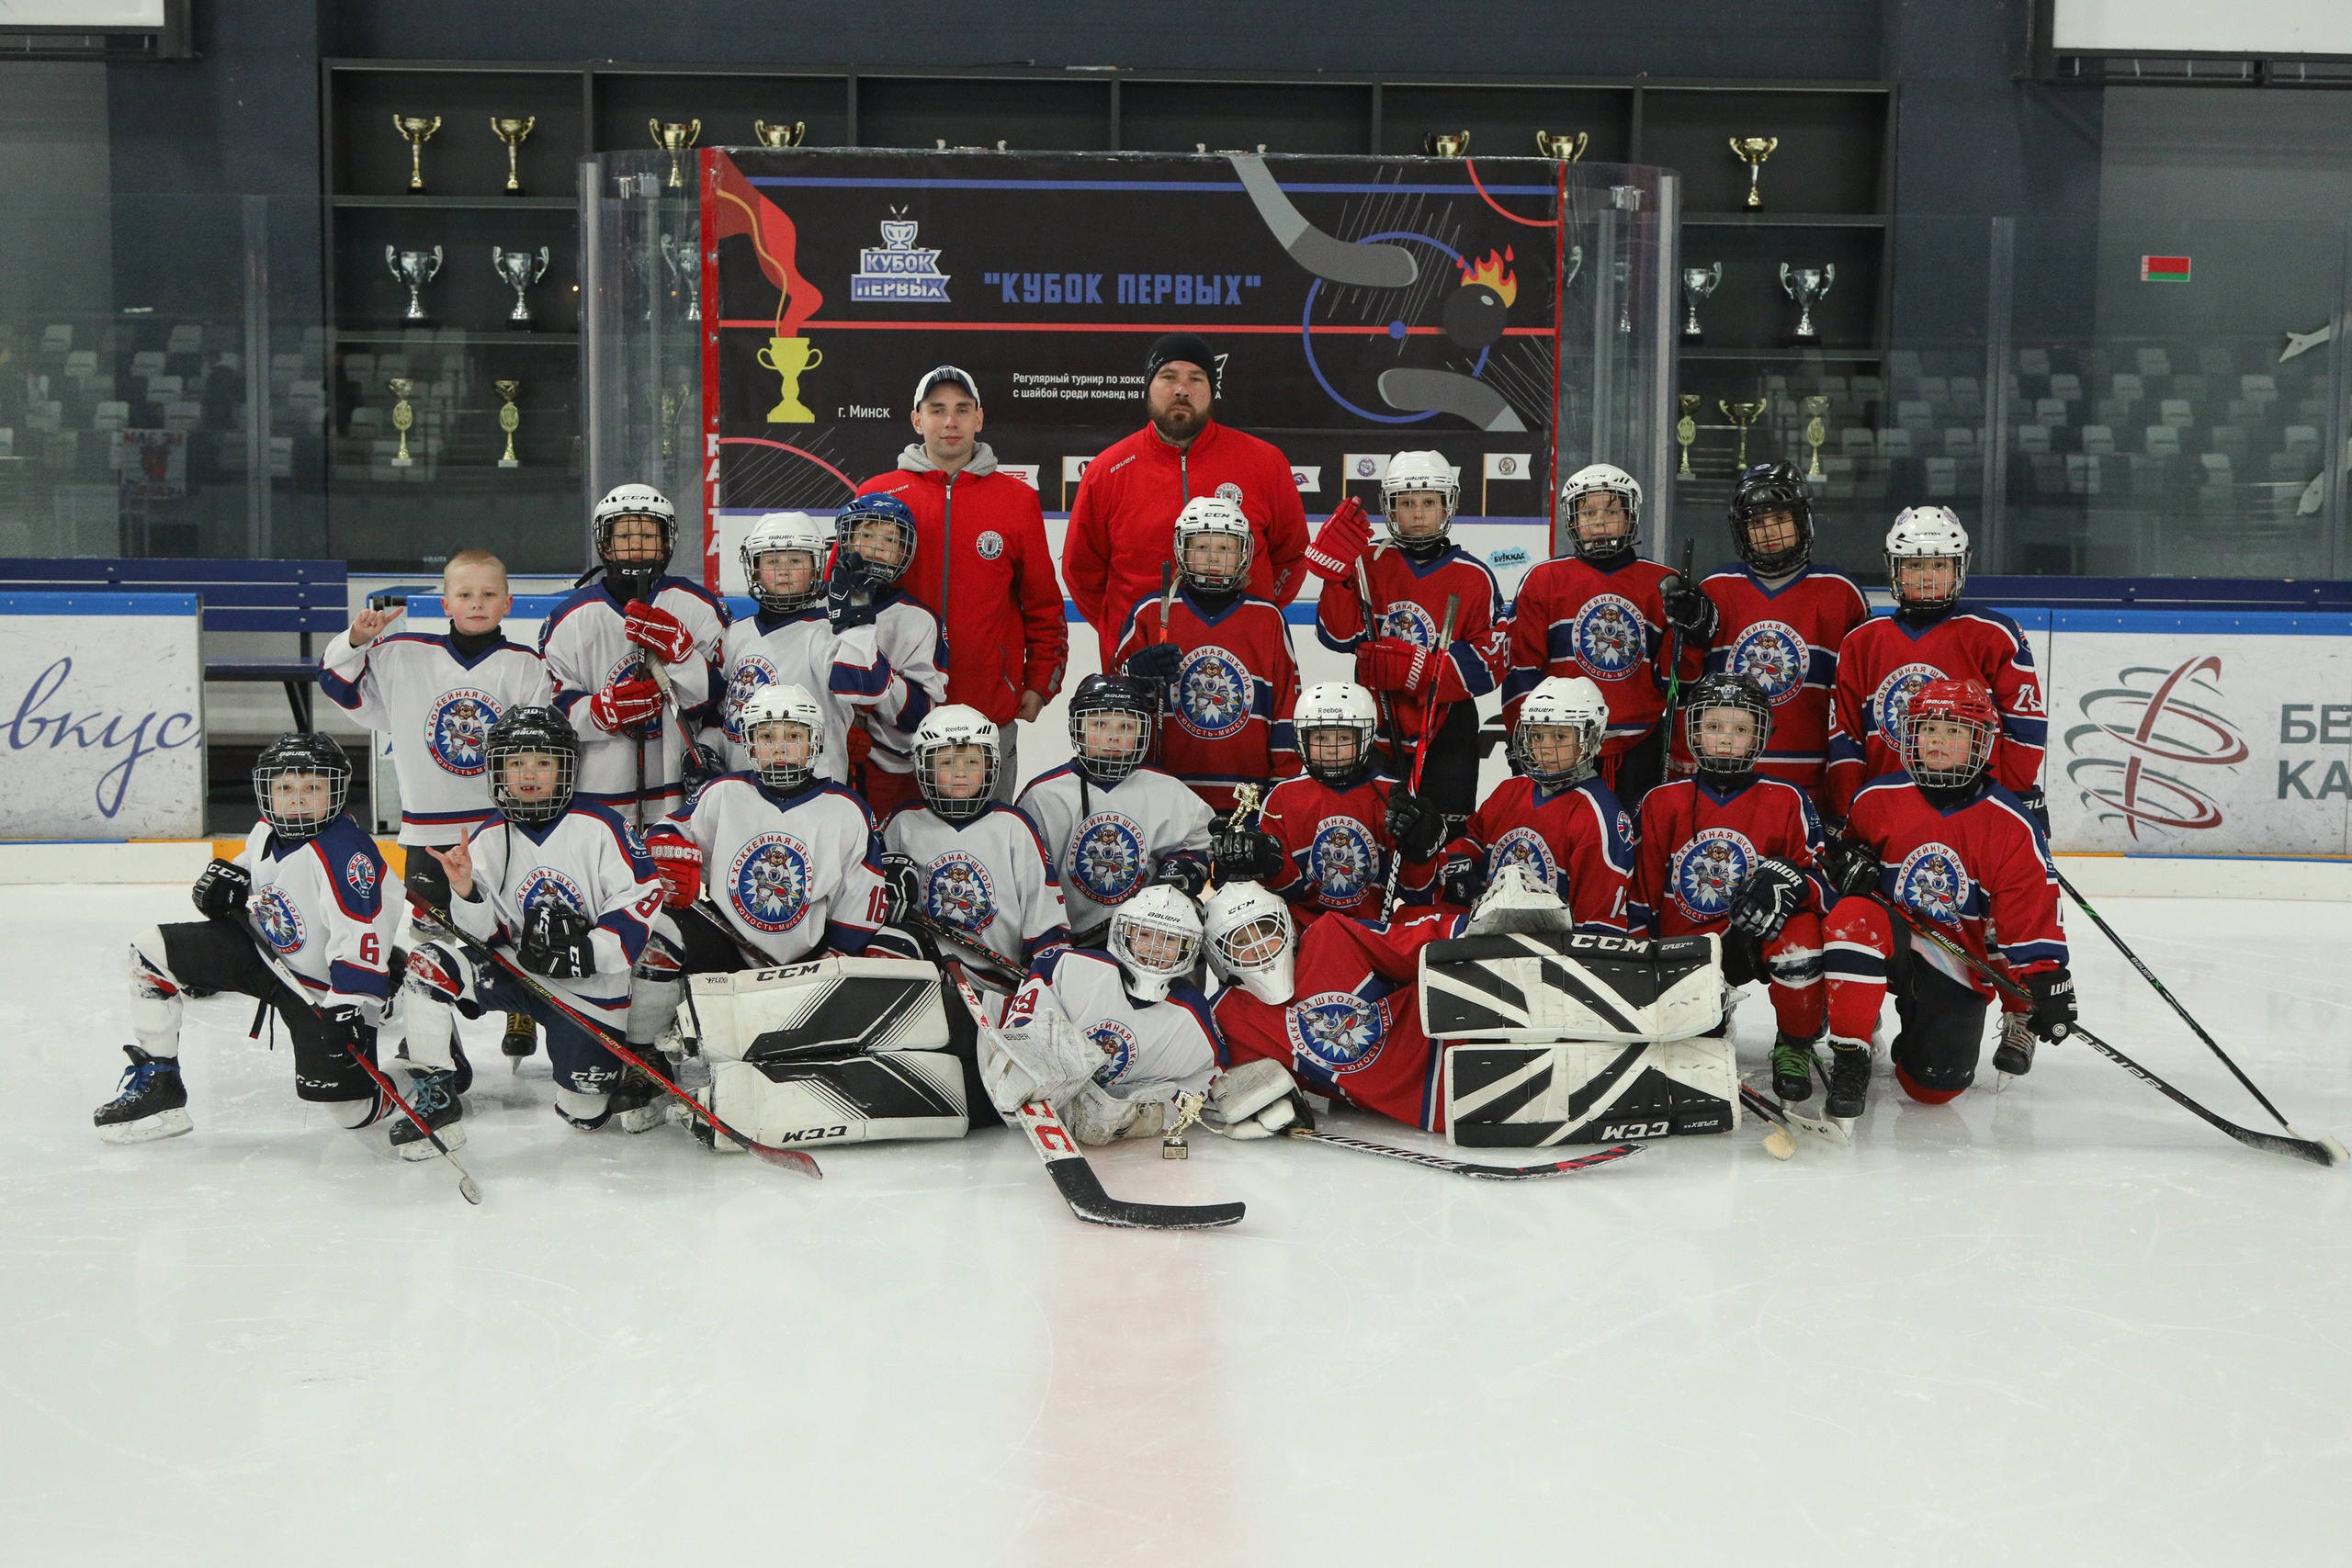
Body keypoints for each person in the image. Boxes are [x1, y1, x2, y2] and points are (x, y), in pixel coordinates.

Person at [96, 734, 411, 1150]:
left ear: (335, 792)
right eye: (284, 789)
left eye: (312, 788)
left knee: (351, 1111)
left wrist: (347, 1007)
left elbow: (362, 942)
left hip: (320, 991)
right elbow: (254, 870)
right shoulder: (265, 831)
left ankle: (419, 1068)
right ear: (267, 792)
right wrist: (227, 881)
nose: (296, 800)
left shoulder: (345, 855)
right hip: (265, 958)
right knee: (150, 951)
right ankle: (160, 1086)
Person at [319, 547, 550, 1068]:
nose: (477, 603)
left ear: (508, 603)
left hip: (504, 832)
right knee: (432, 939)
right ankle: (436, 1035)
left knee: (514, 925)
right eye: (465, 594)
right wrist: (358, 639)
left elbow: (540, 750)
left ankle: (523, 1008)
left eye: (489, 594)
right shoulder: (402, 654)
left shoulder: (525, 667)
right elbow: (338, 684)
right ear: (445, 602)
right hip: (428, 835)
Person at [401, 706, 672, 1134]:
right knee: (428, 963)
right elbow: (479, 936)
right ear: (497, 770)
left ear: (566, 768)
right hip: (517, 971)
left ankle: (640, 1060)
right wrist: (465, 889)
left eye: (543, 762)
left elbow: (643, 894)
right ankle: (437, 1081)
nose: (529, 774)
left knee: (584, 1115)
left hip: (586, 988)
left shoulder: (602, 825)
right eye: (516, 763)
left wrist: (590, 951)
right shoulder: (487, 836)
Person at [1815, 678, 2074, 1120]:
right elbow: (1834, 878)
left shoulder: (2011, 822)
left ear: (1980, 743)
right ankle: (1852, 1052)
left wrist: (2048, 983)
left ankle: (1919, 1030)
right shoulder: (1876, 799)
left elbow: (2027, 914)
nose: (1938, 741)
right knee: (1853, 918)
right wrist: (1843, 869)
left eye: (1955, 732)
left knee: (1933, 1087)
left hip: (1953, 955)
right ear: (1909, 736)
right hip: (1890, 937)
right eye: (1929, 729)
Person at [853, 366, 1068, 797]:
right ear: (917, 420)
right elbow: (842, 602)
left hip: (987, 711)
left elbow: (1043, 604)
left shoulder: (1017, 500)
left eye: (961, 409)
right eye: (937, 410)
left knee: (985, 849)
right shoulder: (877, 495)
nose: (950, 421)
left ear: (979, 418)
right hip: (895, 714)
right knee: (896, 849)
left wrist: (1040, 684)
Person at [1629, 672, 1833, 1104]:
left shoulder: (1788, 799)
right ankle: (1708, 1013)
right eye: (1714, 726)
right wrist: (1638, 966)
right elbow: (1641, 893)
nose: (1725, 739)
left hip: (1754, 938)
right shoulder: (1661, 801)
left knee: (1802, 940)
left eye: (1740, 729)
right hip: (1685, 951)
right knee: (1686, 1054)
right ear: (1694, 732)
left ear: (1760, 736)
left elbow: (1823, 884)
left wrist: (1793, 881)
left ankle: (1795, 1041)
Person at [1063, 333, 1308, 667]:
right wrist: (1125, 633)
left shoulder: (1265, 463)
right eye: (1168, 377)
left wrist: (1254, 616)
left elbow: (1291, 557)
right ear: (1149, 386)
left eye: (1196, 378)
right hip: (1142, 671)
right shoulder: (1107, 470)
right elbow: (1082, 574)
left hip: (1243, 667)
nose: (1182, 389)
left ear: (1212, 389)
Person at [639, 682, 911, 974]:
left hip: (812, 956)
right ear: (750, 743)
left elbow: (859, 898)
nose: (779, 747)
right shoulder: (723, 793)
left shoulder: (847, 809)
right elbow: (666, 833)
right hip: (725, 939)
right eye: (767, 736)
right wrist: (666, 854)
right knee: (656, 936)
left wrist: (840, 955)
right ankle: (653, 1019)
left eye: (794, 735)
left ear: (816, 741)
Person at [1305, 449, 1509, 827]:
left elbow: (1488, 666)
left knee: (1443, 836)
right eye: (1406, 502)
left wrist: (1414, 668)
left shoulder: (1474, 576)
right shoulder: (1366, 561)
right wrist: (1334, 578)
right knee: (1376, 833)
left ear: (1448, 506)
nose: (1417, 513)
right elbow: (1336, 637)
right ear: (1389, 508)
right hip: (1377, 726)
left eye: (1429, 502)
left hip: (1448, 731)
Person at [1823, 506, 2047, 827]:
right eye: (1915, 565)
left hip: (1974, 810)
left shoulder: (1994, 634)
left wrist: (2005, 800)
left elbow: (2025, 728)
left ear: (1959, 569)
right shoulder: (1861, 643)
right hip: (1887, 812)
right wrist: (1852, 814)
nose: (1927, 576)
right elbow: (1845, 739)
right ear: (1896, 570)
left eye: (1939, 564)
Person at [706, 504, 943, 807]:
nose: (783, 570)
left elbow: (865, 687)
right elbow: (724, 712)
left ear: (818, 567)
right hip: (741, 791)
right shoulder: (736, 633)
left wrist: (858, 627)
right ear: (753, 567)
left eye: (795, 560)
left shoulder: (829, 633)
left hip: (814, 796)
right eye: (772, 559)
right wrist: (707, 747)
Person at [1502, 463, 1702, 813]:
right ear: (1573, 520)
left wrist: (1694, 631)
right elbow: (1522, 671)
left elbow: (1672, 679)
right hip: (1563, 742)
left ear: (1630, 517)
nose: (1599, 522)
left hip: (1640, 747)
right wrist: (1524, 741)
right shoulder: (1544, 580)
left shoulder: (1663, 583)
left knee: (1637, 847)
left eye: (1611, 511)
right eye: (1588, 512)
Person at [541, 483, 729, 828]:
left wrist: (683, 656)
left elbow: (719, 701)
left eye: (648, 535)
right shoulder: (570, 618)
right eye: (625, 535)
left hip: (679, 793)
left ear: (666, 541)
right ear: (606, 544)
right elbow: (551, 707)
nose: (637, 545)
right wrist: (599, 711)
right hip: (598, 796)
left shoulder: (699, 606)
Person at [1680, 463, 1871, 800]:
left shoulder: (1840, 592)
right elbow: (1685, 687)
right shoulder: (1716, 588)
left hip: (1809, 780)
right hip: (1725, 775)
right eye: (1756, 523)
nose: (1769, 533)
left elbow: (1855, 704)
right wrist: (1688, 638)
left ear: (1802, 521)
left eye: (1780, 519)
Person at [980, 884, 1223, 1145]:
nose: (1154, 948)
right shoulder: (1071, 966)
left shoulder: (1192, 1012)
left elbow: (1209, 1076)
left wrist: (1152, 1114)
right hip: (989, 1079)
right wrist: (1033, 1059)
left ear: (1189, 948)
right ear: (1124, 933)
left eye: (1170, 939)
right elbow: (1023, 1018)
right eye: (1144, 934)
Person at [1112, 493, 1302, 812]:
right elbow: (1111, 705)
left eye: (1225, 548)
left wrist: (1281, 789)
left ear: (1243, 552)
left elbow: (1286, 708)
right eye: (1201, 547)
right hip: (1164, 796)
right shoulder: (1151, 612)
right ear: (1182, 549)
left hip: (1247, 799)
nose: (1213, 557)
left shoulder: (1268, 619)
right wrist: (1133, 678)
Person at [1015, 674, 1213, 947]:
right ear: (1078, 729)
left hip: (1145, 940)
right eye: (1099, 724)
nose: (1113, 737)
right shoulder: (1043, 795)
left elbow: (1201, 840)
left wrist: (1186, 866)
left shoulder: (1166, 790)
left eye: (1126, 727)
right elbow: (1028, 879)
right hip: (1069, 943)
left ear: (1142, 731)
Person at [1427, 675, 1634, 932]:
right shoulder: (1510, 791)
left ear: (1590, 738)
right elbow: (1473, 847)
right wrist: (1430, 853)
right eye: (1536, 736)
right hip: (1488, 937)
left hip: (1550, 955)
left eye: (1559, 736)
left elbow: (1595, 928)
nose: (1545, 748)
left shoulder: (1599, 815)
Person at [880, 704, 1070, 976]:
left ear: (991, 765)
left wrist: (1044, 977)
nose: (962, 773)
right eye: (947, 763)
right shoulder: (902, 824)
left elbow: (1046, 924)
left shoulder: (1014, 827)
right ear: (925, 768)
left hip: (1000, 983)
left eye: (972, 762)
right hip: (927, 979)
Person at [1238, 681, 1444, 924]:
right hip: (1305, 931)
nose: (1332, 749)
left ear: (1365, 738)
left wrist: (1420, 855)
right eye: (1321, 738)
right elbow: (1288, 892)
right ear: (1302, 738)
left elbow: (1420, 897)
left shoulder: (1392, 796)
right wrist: (1267, 866)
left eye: (1344, 737)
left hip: (1372, 933)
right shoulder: (1282, 797)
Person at [821, 491, 948, 819]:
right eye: (866, 535)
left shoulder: (919, 619)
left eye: (889, 539)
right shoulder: (816, 607)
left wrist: (872, 686)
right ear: (846, 541)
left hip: (887, 772)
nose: (877, 547)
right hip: (817, 762)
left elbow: (922, 713)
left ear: (903, 552)